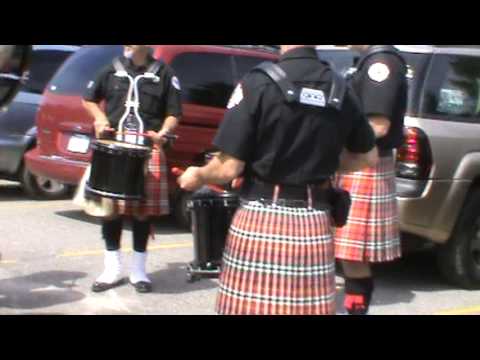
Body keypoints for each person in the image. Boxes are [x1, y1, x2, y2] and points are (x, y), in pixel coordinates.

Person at [178, 45, 378, 315]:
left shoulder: (258, 81)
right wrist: (324, 160)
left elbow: (228, 167)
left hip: (261, 217)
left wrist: (198, 174)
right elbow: (368, 157)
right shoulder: (341, 88)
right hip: (314, 222)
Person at [82, 45, 182, 293]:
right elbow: (89, 99)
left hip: (147, 149)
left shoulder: (165, 74)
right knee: (110, 210)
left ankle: (139, 272)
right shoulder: (112, 69)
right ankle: (111, 269)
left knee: (141, 212)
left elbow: (174, 113)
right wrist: (100, 119)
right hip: (114, 147)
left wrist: (164, 133)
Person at [334, 45, 408, 315]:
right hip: (358, 159)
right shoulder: (368, 61)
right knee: (346, 252)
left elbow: (378, 125)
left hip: (365, 162)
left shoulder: (382, 62)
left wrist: (334, 144)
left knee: (353, 253)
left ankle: (356, 309)